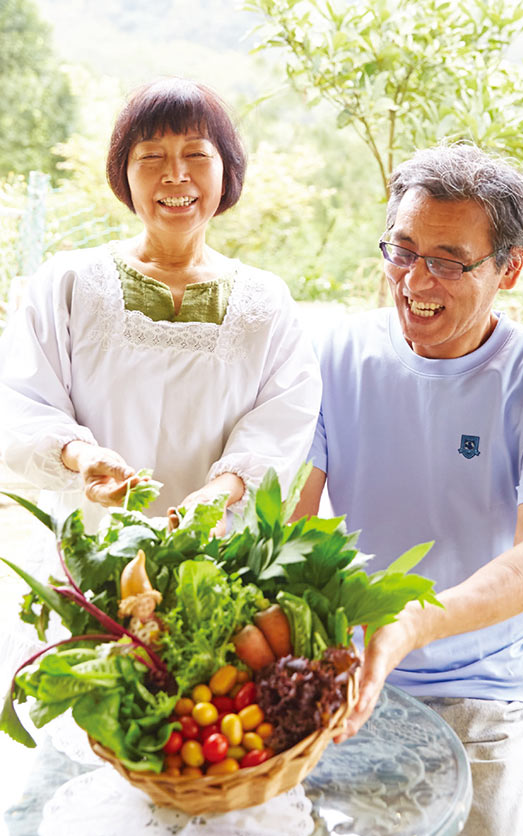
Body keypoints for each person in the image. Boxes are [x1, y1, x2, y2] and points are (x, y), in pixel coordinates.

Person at [293, 144, 523, 836]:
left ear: (510, 269)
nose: (415, 282)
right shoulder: (333, 355)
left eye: (449, 262)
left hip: (488, 695)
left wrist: (412, 626)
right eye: (402, 251)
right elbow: (291, 523)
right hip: (351, 685)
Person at [0, 78, 321, 536]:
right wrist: (85, 458)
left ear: (226, 170)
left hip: (213, 569)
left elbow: (282, 425)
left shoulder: (266, 304)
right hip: (89, 558)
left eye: (196, 154)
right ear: (123, 174)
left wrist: (217, 494)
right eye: (151, 156)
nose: (175, 175)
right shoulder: (68, 283)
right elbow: (20, 401)